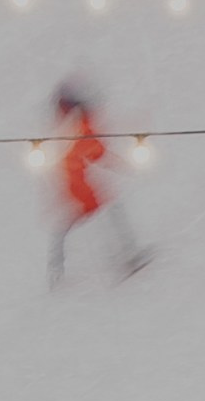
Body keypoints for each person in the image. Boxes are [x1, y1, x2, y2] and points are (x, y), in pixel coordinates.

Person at [49, 85, 149, 287]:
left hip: (74, 180)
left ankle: (56, 270)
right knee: (110, 211)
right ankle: (126, 256)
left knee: (78, 219)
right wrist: (119, 163)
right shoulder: (86, 126)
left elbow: (92, 152)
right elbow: (96, 152)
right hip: (78, 183)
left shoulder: (82, 125)